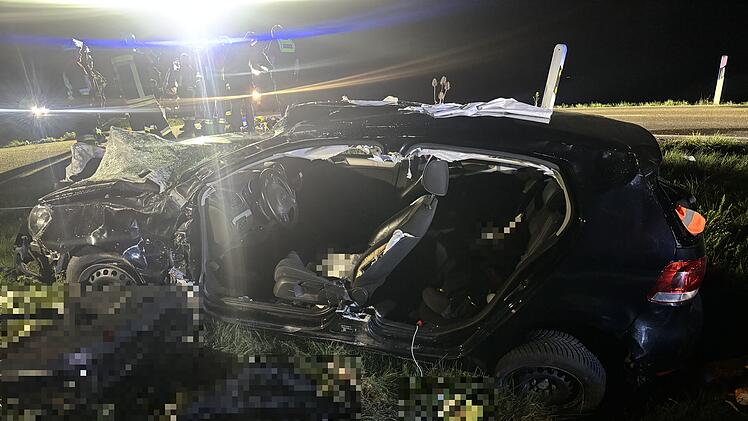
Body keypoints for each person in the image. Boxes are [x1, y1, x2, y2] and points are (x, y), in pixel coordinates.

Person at [111, 34, 175, 139]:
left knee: (138, 126)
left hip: (131, 99)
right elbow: (151, 72)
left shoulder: (115, 60)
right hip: (146, 96)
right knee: (160, 121)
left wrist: (122, 95)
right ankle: (170, 139)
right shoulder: (140, 56)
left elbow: (117, 79)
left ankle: (141, 144)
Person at [61, 39, 105, 181]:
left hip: (81, 108)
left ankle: (85, 170)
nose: (80, 54)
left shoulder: (74, 66)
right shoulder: (74, 67)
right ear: (72, 52)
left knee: (88, 138)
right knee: (86, 139)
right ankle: (84, 172)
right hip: (83, 107)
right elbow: (83, 89)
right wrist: (90, 101)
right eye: (78, 51)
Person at [224, 32, 259, 132]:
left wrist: (227, 79)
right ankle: (251, 126)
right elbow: (253, 63)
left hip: (234, 80)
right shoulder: (249, 48)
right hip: (245, 79)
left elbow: (227, 63)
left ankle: (237, 126)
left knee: (236, 104)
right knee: (248, 103)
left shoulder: (234, 46)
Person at [262, 24, 300, 114]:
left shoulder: (275, 42)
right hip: (290, 73)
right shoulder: (291, 42)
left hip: (279, 73)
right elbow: (296, 59)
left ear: (274, 33)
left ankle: (284, 115)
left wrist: (271, 66)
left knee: (280, 95)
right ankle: (291, 113)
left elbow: (270, 56)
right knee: (290, 94)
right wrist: (296, 71)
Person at [165, 52, 201, 138]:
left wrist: (188, 87)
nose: (182, 61)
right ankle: (187, 124)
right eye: (182, 59)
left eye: (184, 59)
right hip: (182, 91)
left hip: (188, 91)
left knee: (189, 109)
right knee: (183, 109)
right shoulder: (180, 69)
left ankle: (190, 128)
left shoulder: (189, 69)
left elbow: (190, 80)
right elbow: (177, 79)